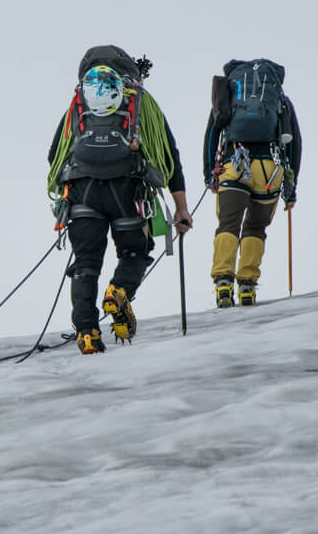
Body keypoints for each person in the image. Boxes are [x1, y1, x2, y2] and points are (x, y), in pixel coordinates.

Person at [47, 45, 192, 354]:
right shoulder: (141, 103)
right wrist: (181, 208)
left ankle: (87, 333)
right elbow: (169, 156)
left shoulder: (79, 103)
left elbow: (54, 154)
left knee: (86, 263)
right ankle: (119, 290)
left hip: (83, 191)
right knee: (134, 252)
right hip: (128, 190)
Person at [202, 58, 301, 307]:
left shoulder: (230, 93)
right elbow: (294, 145)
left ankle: (223, 282)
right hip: (269, 169)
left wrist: (208, 173)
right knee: (256, 227)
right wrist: (291, 188)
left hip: (233, 163)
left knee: (228, 223)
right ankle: (247, 285)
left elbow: (212, 132)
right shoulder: (280, 99)